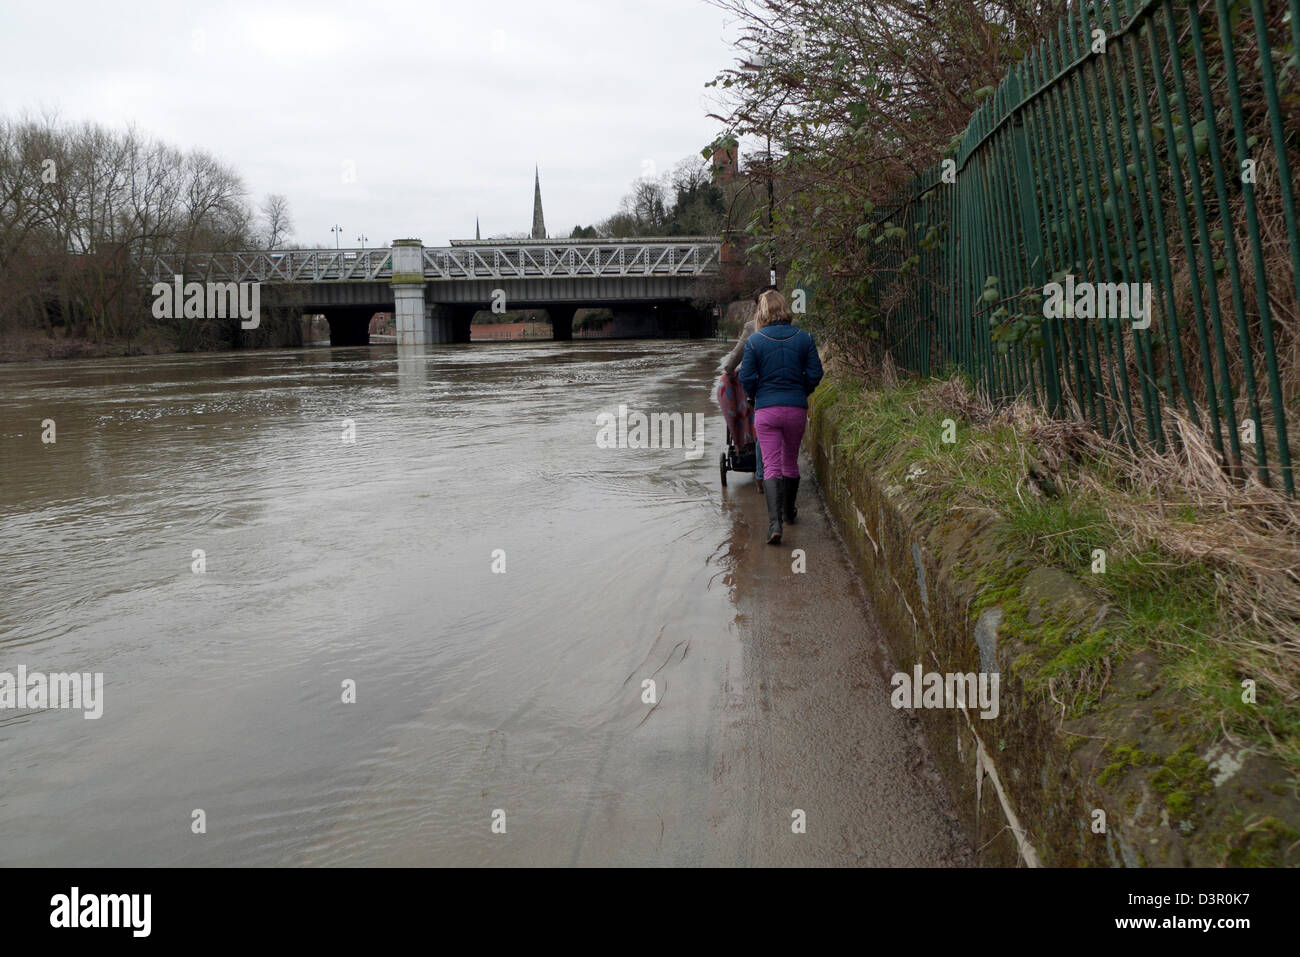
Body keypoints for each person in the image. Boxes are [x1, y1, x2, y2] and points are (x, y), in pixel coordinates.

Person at [737, 289, 824, 545]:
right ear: (785, 308)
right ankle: (789, 512)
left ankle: (774, 525)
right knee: (790, 463)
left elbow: (746, 378)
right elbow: (815, 373)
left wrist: (756, 396)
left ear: (762, 312)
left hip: (766, 411)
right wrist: (801, 391)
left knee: (772, 466)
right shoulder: (804, 338)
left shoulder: (755, 341)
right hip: (796, 409)